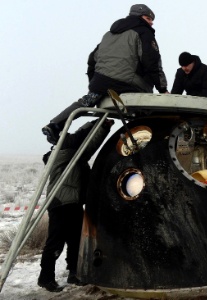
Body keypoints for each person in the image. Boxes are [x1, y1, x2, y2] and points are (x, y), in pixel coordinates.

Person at [42, 4, 168, 145]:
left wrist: (94, 84)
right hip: (128, 85)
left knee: (86, 102)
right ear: (139, 17)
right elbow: (152, 62)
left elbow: (92, 59)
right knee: (148, 110)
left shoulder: (109, 35)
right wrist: (162, 89)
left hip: (102, 83)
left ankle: (54, 125)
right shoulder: (144, 32)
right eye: (148, 18)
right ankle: (149, 135)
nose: (151, 22)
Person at [38, 119, 114, 292]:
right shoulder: (61, 155)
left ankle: (74, 272)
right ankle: (45, 277)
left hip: (74, 203)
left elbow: (87, 146)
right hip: (61, 203)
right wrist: (99, 124)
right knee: (55, 242)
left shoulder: (74, 157)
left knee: (75, 241)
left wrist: (103, 129)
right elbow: (85, 143)